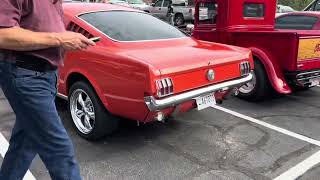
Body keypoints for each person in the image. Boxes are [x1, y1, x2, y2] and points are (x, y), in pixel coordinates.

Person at [0, 0, 95, 179]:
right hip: (26, 75)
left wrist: (65, 41)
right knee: (60, 151)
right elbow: (2, 35)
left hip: (47, 76)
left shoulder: (55, 3)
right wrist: (59, 38)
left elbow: (44, 34)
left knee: (24, 143)